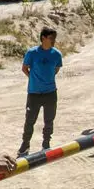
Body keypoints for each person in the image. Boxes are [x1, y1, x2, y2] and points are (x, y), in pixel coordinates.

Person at [18, 27, 63, 156]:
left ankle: (46, 143)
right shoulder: (32, 53)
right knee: (30, 120)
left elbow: (56, 69)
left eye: (54, 38)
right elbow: (24, 68)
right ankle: (25, 144)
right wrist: (33, 78)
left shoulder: (57, 54)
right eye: (51, 38)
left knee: (49, 120)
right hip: (34, 93)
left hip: (50, 92)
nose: (53, 40)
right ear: (43, 38)